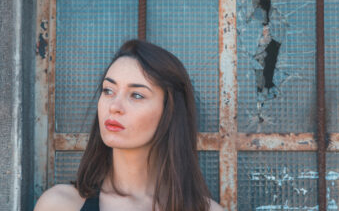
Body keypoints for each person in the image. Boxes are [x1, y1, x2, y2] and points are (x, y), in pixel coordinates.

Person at [34, 39, 224, 211]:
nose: (114, 106)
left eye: (137, 95)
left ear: (169, 112)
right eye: (108, 90)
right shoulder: (59, 205)